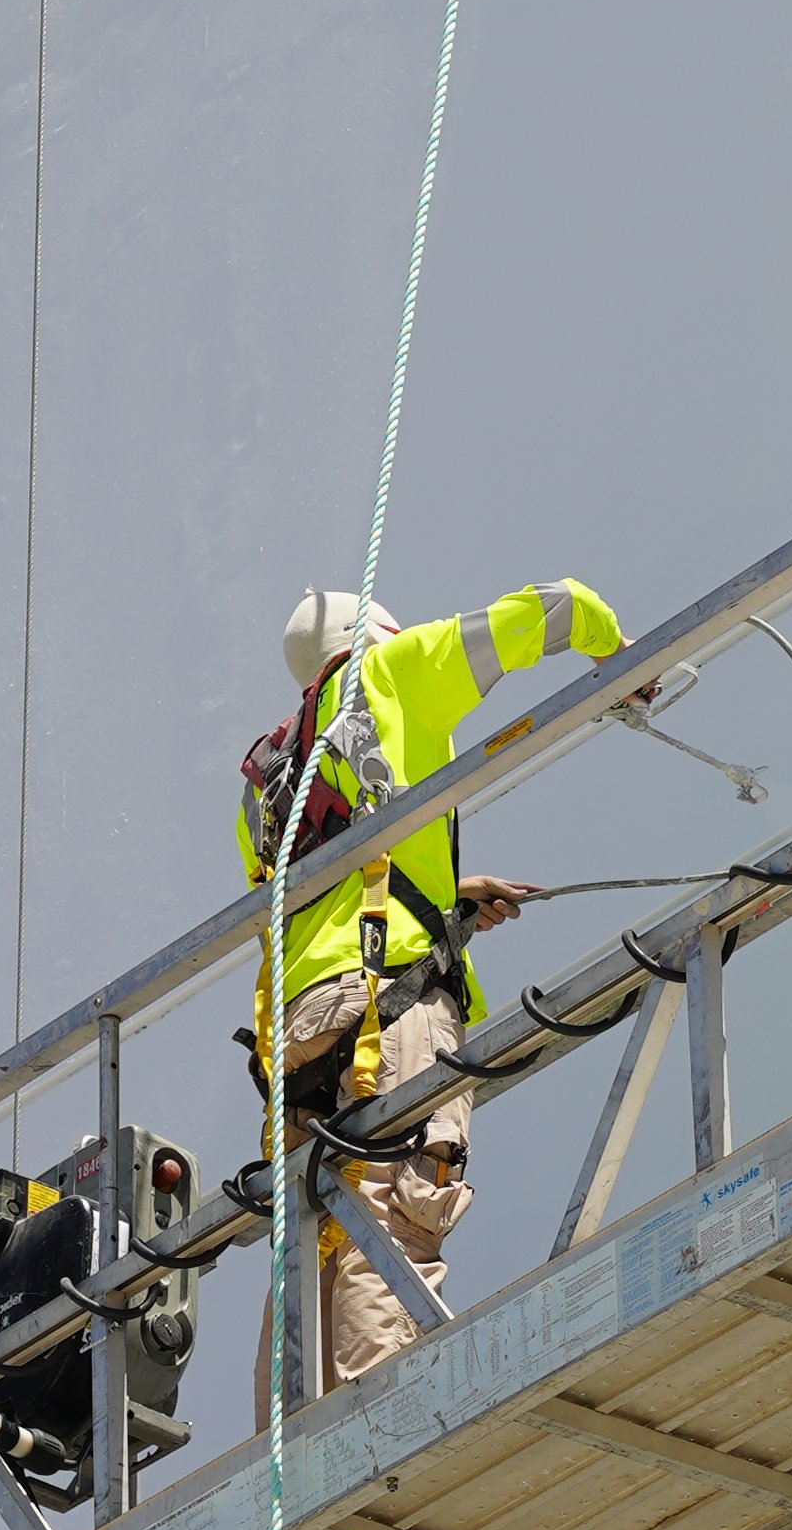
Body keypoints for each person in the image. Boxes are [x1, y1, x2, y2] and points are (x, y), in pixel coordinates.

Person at [236, 577, 627, 1381]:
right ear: (378, 635)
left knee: (308, 1239)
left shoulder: (268, 781)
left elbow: (324, 887)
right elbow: (554, 606)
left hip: (300, 1028)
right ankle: (378, 1410)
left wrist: (443, 895)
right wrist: (623, 658)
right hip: (388, 1005)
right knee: (393, 1211)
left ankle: (295, 1427)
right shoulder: (390, 673)